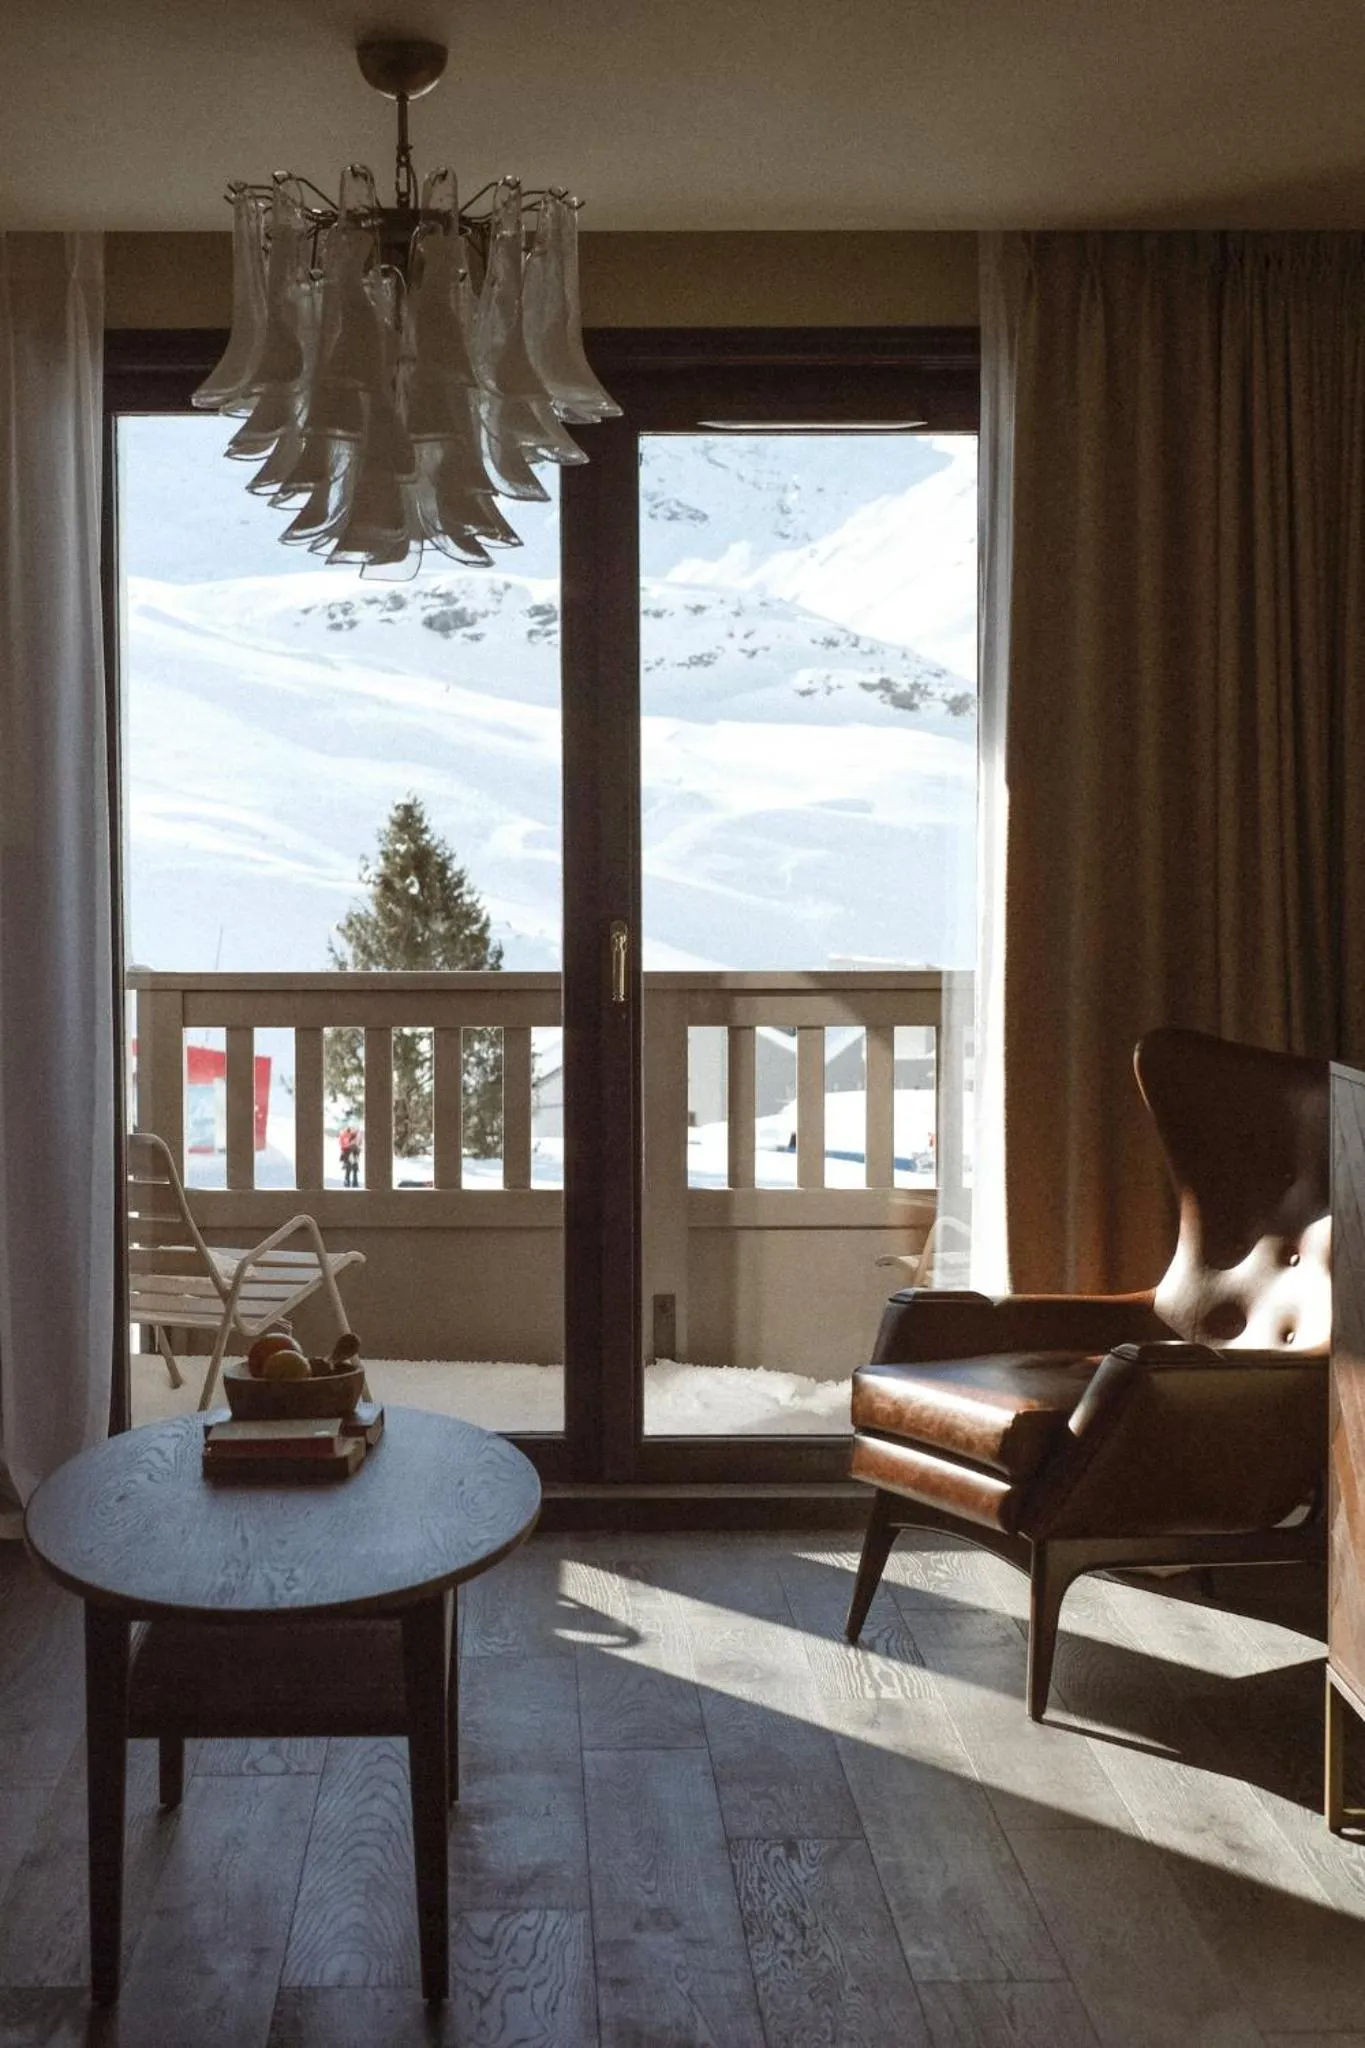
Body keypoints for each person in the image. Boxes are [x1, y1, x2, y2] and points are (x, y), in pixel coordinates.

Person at [339, 1124, 360, 1188]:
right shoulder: (346, 1134)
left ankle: (350, 1181)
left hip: (350, 1151)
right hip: (350, 1152)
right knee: (353, 1167)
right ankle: (353, 1182)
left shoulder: (344, 1134)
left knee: (351, 1167)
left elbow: (341, 1143)